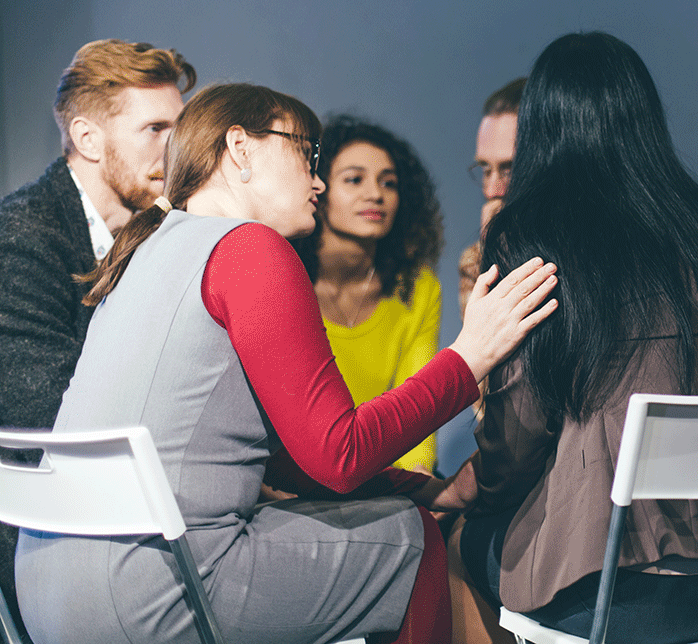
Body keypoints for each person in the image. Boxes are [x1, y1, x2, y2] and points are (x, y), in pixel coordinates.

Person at [15, 83, 558, 644]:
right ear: (241, 149)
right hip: (152, 589)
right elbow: (338, 455)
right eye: (307, 154)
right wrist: (471, 357)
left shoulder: (144, 252)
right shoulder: (249, 249)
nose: (318, 180)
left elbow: (281, 455)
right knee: (408, 539)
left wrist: (424, 488)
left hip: (44, 585)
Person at [420, 34, 698, 644]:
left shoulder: (532, 235)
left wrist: (471, 488)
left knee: (459, 542)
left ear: (542, 128)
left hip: (630, 595)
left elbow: (516, 438)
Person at [0, 38, 194, 637]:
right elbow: (46, 417)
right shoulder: (22, 236)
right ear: (87, 139)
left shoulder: (158, 234)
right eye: (156, 127)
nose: (176, 147)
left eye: (180, 127)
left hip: (134, 509)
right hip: (54, 541)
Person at [295, 115, 445, 472]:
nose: (375, 194)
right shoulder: (285, 280)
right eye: (354, 179)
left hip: (385, 479)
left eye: (388, 183)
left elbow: (418, 414)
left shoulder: (417, 287)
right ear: (317, 187)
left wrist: (414, 491)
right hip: (296, 481)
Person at [458, 78, 523, 314]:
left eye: (509, 169)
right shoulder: (473, 260)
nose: (491, 190)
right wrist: (494, 256)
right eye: (485, 170)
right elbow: (483, 349)